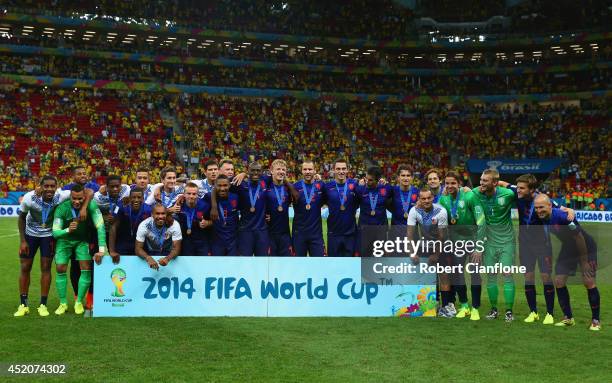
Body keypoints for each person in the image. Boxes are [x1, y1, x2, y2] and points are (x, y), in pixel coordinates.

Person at [498, 174, 574, 325]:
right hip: (525, 245)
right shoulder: (516, 191)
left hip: (542, 245)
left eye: (522, 188)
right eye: (517, 187)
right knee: (528, 277)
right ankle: (533, 312)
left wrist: (570, 210)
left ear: (531, 189)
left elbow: (562, 209)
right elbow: (500, 183)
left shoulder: (541, 200)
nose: (518, 190)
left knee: (546, 277)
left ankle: (550, 313)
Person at [534, 194, 601, 331]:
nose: (538, 210)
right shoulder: (542, 217)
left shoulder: (563, 217)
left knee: (588, 281)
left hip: (585, 246)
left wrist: (584, 262)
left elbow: (579, 237)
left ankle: (596, 320)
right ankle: (568, 318)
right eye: (536, 208)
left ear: (550, 206)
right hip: (568, 247)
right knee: (559, 281)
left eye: (541, 207)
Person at [14, 176, 71, 317]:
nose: (50, 189)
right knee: (25, 267)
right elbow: (21, 218)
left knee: (46, 268)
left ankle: (43, 305)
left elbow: (84, 192)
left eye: (53, 186)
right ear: (40, 186)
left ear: (57, 186)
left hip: (48, 235)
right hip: (30, 235)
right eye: (46, 186)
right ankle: (23, 305)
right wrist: (22, 241)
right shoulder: (29, 198)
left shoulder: (61, 195)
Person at [52, 184, 106, 315]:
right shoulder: (61, 208)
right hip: (64, 241)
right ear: (70, 196)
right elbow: (55, 233)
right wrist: (67, 230)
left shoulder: (92, 206)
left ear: (84, 197)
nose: (77, 201)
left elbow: (100, 226)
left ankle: (78, 302)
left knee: (86, 267)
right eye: (74, 198)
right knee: (60, 268)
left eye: (80, 199)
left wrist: (102, 249)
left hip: (82, 241)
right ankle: (63, 303)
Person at [438, 171, 486, 320]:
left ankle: (475, 308)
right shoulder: (443, 200)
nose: (450, 186)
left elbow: (481, 221)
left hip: (472, 241)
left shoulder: (470, 196)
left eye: (453, 183)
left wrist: (479, 247)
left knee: (475, 274)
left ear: (459, 184)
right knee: (457, 274)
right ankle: (464, 305)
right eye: (447, 183)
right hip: (456, 243)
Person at [471, 169, 517, 322]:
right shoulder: (476, 193)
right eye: (481, 180)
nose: (481, 183)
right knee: (491, 275)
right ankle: (494, 309)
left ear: (495, 183)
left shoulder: (507, 194)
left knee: (507, 274)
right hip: (488, 243)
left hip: (506, 242)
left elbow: (529, 193)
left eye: (485, 181)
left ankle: (509, 311)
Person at [406, 187, 451, 317]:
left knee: (443, 275)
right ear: (419, 199)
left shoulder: (441, 211)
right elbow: (409, 235)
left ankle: (445, 306)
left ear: (433, 198)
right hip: (425, 245)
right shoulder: (414, 211)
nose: (426, 201)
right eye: (423, 198)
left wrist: (436, 255)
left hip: (442, 245)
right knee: (428, 276)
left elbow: (442, 237)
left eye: (428, 198)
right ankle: (431, 305)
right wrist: (412, 253)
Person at [213, 162, 269, 256]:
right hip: (245, 231)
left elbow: (281, 178)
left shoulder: (266, 181)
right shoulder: (240, 183)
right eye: (252, 170)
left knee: (262, 262)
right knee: (244, 262)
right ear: (248, 171)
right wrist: (214, 207)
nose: (255, 173)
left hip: (262, 231)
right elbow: (216, 187)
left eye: (258, 171)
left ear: (262, 172)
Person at [325, 158, 359, 257]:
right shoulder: (327, 187)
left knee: (350, 266)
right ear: (334, 170)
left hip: (350, 234)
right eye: (338, 169)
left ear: (347, 170)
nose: (341, 171)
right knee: (333, 266)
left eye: (343, 169)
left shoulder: (354, 185)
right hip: (333, 234)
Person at [264, 159, 298, 256]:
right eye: (278, 169)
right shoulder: (266, 187)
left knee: (286, 265)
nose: (281, 172)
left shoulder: (288, 189)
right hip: (269, 234)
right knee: (269, 267)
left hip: (285, 234)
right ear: (271, 171)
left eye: (283, 170)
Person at [354, 166, 391, 257]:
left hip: (380, 232)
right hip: (364, 231)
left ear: (377, 180)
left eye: (370, 180)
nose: (367, 181)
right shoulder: (360, 189)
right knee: (363, 259)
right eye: (366, 179)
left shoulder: (386, 189)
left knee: (380, 260)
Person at [292, 160, 327, 257]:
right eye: (305, 169)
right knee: (298, 266)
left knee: (318, 265)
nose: (307, 171)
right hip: (299, 234)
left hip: (316, 235)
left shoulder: (321, 186)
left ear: (315, 170)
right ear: (301, 171)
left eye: (310, 169)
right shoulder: (295, 186)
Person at [135, 204, 182, 269]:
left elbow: (176, 249)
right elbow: (138, 249)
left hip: (168, 253)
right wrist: (148, 258)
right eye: (157, 214)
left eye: (163, 214)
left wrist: (167, 258)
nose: (160, 216)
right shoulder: (144, 225)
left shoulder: (174, 225)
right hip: (150, 253)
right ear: (152, 215)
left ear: (166, 214)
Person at [109, 188, 151, 259]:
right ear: (129, 198)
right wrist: (112, 251)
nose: (136, 200)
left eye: (139, 197)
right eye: (133, 197)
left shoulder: (148, 210)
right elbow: (113, 226)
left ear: (143, 199)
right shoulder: (121, 206)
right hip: (123, 243)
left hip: (141, 244)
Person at [206, 175, 239, 256]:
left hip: (233, 241)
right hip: (216, 241)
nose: (222, 188)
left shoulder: (236, 197)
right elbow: (197, 205)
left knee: (232, 266)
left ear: (229, 185)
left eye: (225, 185)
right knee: (217, 267)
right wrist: (182, 197)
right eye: (219, 185)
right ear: (215, 186)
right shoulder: (208, 197)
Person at [177, 182, 212, 256]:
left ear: (198, 195)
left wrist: (207, 223)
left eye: (194, 194)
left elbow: (214, 222)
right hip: (186, 241)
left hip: (202, 241)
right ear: (184, 194)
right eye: (188, 193)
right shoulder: (179, 205)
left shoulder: (205, 206)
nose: (191, 196)